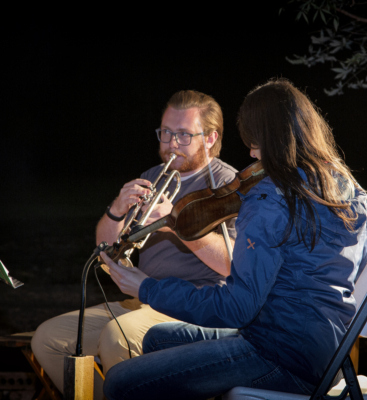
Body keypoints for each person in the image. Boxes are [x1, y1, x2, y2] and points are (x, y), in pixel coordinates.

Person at [101, 78, 367, 400]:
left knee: (119, 382)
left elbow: (237, 307)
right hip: (326, 349)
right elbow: (362, 264)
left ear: (269, 137)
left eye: (254, 140)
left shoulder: (268, 200)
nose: (251, 151)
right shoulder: (344, 184)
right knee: (157, 338)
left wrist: (145, 287)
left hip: (283, 357)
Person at [31, 90, 237, 399]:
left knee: (119, 337)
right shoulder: (152, 177)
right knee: (48, 339)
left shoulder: (226, 185)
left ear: (209, 138)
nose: (170, 144)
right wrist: (117, 209)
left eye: (182, 135)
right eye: (165, 132)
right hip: (143, 300)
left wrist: (175, 223)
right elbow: (106, 252)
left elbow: (231, 264)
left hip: (194, 304)